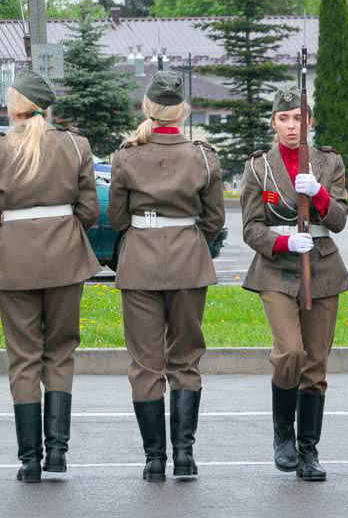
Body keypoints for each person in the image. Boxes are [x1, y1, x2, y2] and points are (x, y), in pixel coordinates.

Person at [0, 71, 101, 483]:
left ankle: (30, 459)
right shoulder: (75, 145)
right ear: (45, 108)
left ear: (14, 106)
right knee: (60, 352)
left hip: (16, 257)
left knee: (24, 357)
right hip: (65, 254)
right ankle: (58, 451)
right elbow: (89, 210)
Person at [107, 71, 225, 482]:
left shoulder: (126, 155)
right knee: (186, 359)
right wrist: (187, 239)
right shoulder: (203, 157)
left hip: (140, 259)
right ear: (182, 111)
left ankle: (154, 459)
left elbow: (117, 217)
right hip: (189, 260)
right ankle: (185, 456)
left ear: (148, 109)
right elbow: (214, 219)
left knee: (145, 364)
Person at [240, 86, 348, 482]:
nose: (292, 126)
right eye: (284, 119)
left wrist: (318, 193)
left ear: (310, 122)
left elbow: (339, 219)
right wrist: (283, 242)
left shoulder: (329, 162)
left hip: (321, 265)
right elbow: (251, 228)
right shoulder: (259, 167)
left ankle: (309, 451)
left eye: (299, 119)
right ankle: (283, 434)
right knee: (290, 352)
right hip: (276, 267)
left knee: (315, 363)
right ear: (273, 122)